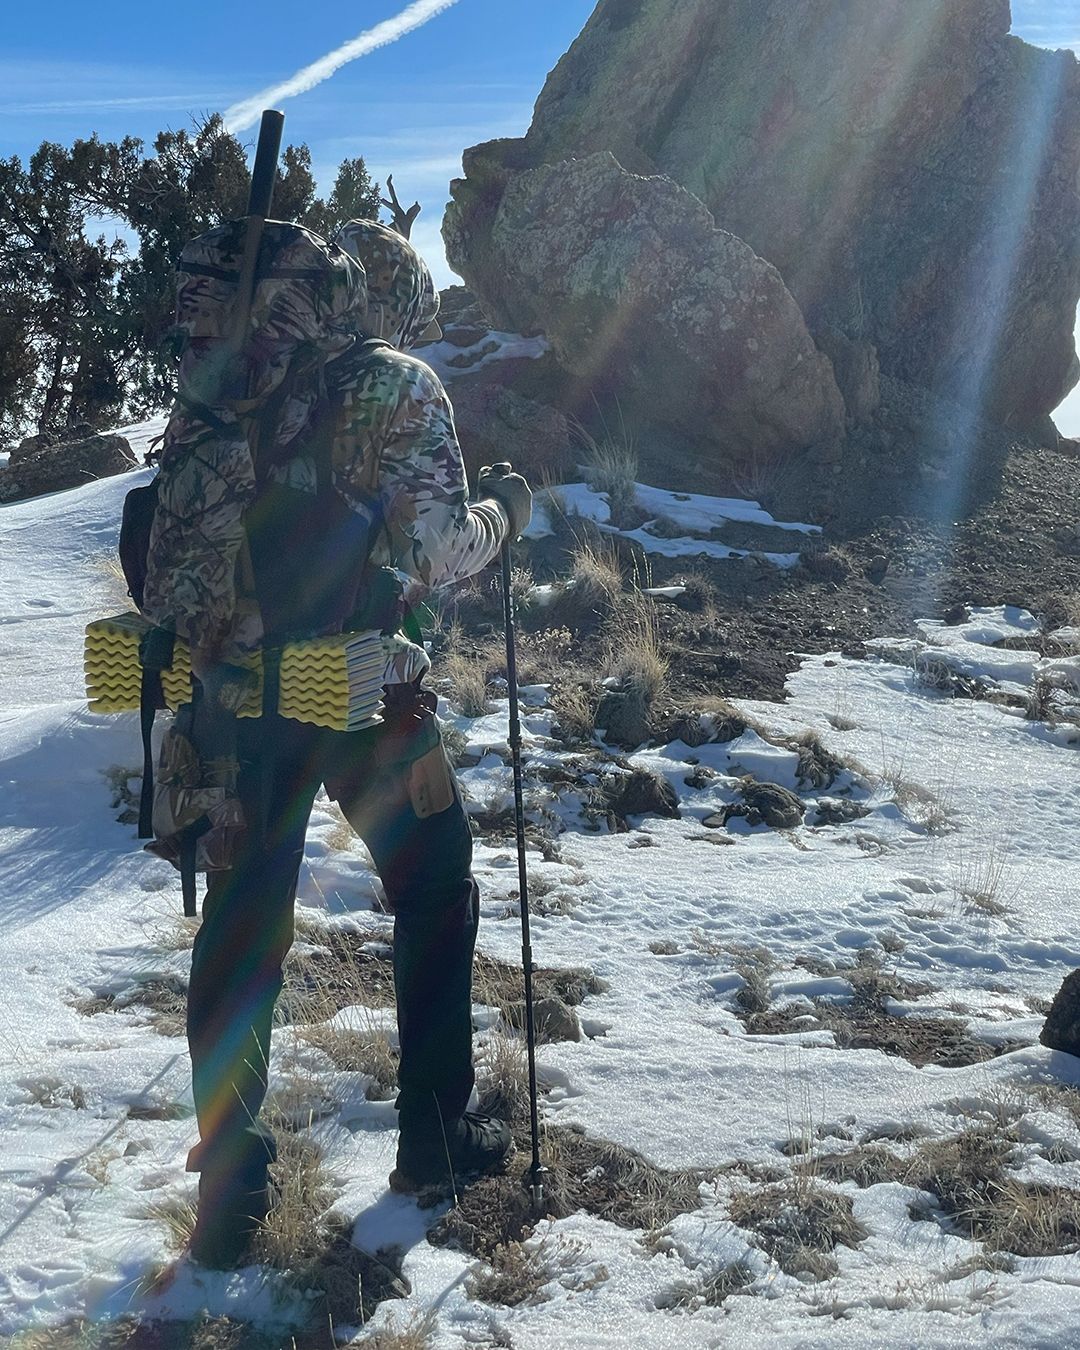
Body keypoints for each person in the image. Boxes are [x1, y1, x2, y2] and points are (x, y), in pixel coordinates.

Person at [180, 218, 533, 1268]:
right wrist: (506, 514)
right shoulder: (395, 386)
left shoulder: (221, 390)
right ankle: (433, 1136)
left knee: (244, 927)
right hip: (358, 693)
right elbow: (435, 547)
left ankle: (228, 1192)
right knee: (434, 884)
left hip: (231, 698)